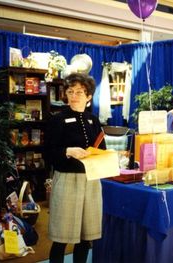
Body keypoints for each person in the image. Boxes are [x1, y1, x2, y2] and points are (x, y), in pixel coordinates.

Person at [45, 73, 106, 263]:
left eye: (80, 92)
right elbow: (48, 152)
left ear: (88, 96)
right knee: (61, 238)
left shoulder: (93, 120)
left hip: (91, 181)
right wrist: (67, 151)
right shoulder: (57, 120)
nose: (74, 96)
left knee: (85, 237)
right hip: (66, 181)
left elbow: (101, 149)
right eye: (70, 91)